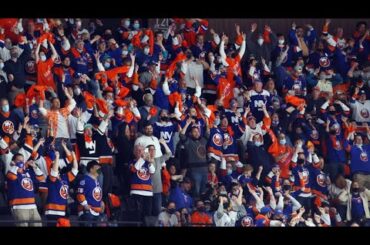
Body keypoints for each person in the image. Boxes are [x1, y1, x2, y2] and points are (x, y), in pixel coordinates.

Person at [6, 153, 45, 227]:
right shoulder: (10, 172)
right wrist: (15, 166)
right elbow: (12, 176)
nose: (21, 162)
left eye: (22, 160)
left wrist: (34, 167)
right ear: (13, 161)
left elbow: (41, 177)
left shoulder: (27, 172)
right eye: (19, 160)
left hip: (33, 206)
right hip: (19, 207)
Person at [129, 144, 155, 223]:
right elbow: (134, 169)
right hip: (136, 192)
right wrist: (142, 159)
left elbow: (153, 171)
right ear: (134, 152)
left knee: (147, 216)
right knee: (137, 216)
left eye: (142, 150)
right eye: (138, 150)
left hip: (148, 193)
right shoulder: (132, 162)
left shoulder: (147, 162)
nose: (140, 152)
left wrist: (150, 162)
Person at [76, 160, 105, 227]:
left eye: (99, 168)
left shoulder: (97, 181)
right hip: (87, 212)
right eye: (97, 168)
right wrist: (85, 205)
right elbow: (80, 194)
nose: (99, 170)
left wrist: (101, 201)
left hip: (96, 212)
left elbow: (95, 194)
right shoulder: (85, 180)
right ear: (91, 169)